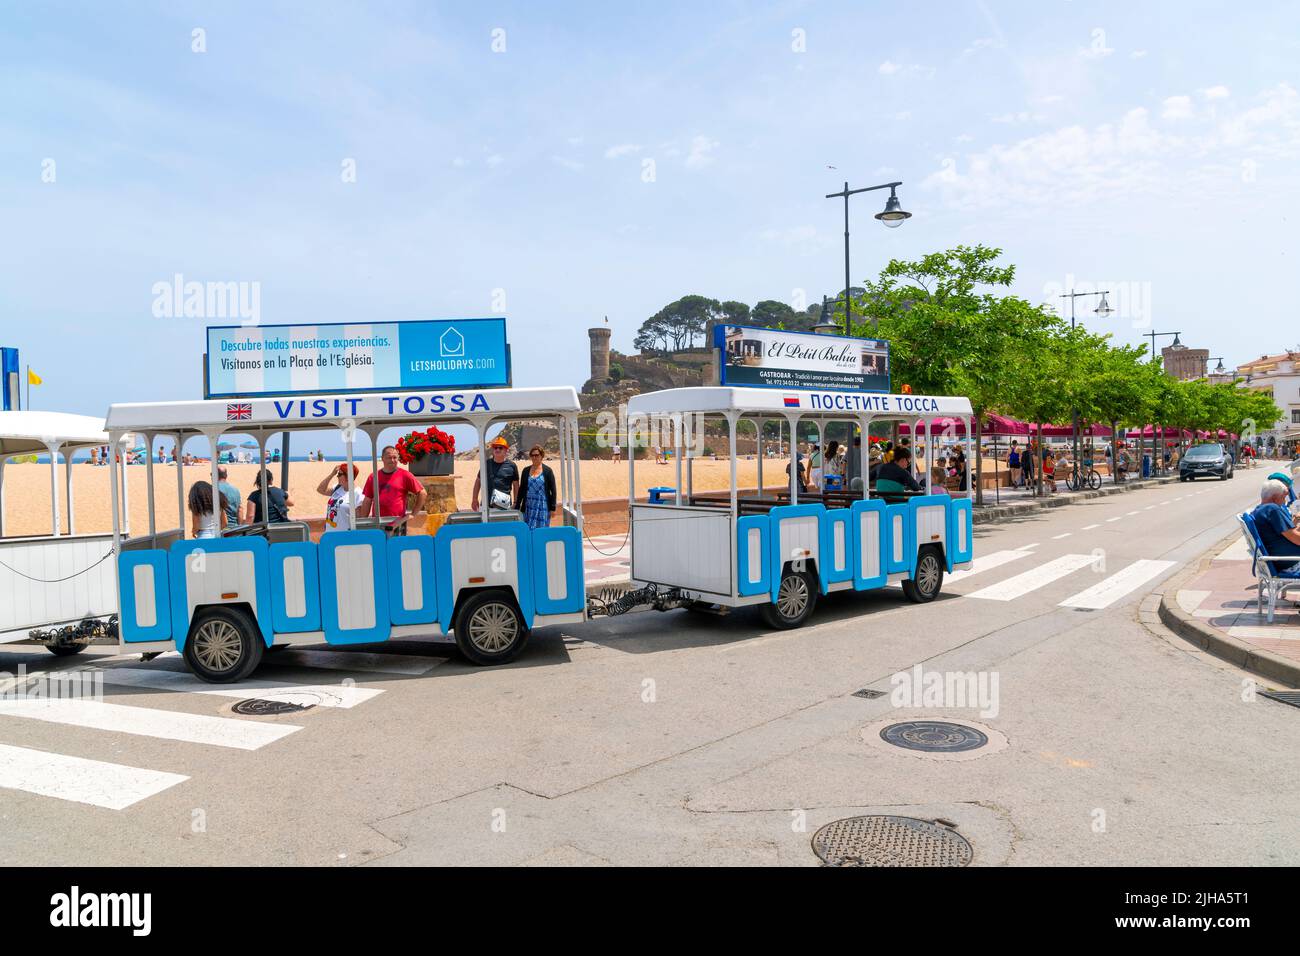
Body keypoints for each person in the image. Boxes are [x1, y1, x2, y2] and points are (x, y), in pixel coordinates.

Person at [359, 445, 427, 534]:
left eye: (395, 457)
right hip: (378, 523)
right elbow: (367, 500)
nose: (392, 460)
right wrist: (363, 523)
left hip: (397, 524)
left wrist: (412, 514)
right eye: (389, 457)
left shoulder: (405, 475)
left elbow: (422, 493)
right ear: (382, 458)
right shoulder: (373, 477)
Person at [1252, 479, 1300, 570]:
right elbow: (1297, 539)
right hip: (1289, 562)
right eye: (1283, 497)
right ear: (1275, 497)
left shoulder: (1259, 510)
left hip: (1278, 558)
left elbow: (1289, 533)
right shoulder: (1273, 509)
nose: (1285, 501)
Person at [472, 436, 519, 513]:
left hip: (504, 506)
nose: (497, 449)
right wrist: (474, 499)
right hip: (486, 505)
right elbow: (478, 481)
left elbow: (516, 485)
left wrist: (515, 502)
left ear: (506, 450)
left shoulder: (512, 466)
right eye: (495, 448)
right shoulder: (486, 464)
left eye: (500, 448)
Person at [516, 445, 557, 530]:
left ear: (541, 456)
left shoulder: (547, 471)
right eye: (532, 455)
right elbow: (522, 489)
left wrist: (553, 508)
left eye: (537, 455)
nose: (534, 457)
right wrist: (517, 505)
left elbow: (553, 490)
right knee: (528, 530)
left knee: (541, 531)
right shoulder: (526, 470)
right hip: (528, 506)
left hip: (542, 506)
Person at [318, 463, 364, 532]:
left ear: (348, 476)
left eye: (339, 474)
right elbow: (320, 489)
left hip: (344, 536)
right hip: (329, 534)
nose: (337, 476)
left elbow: (359, 519)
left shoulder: (357, 494)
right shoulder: (337, 488)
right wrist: (332, 474)